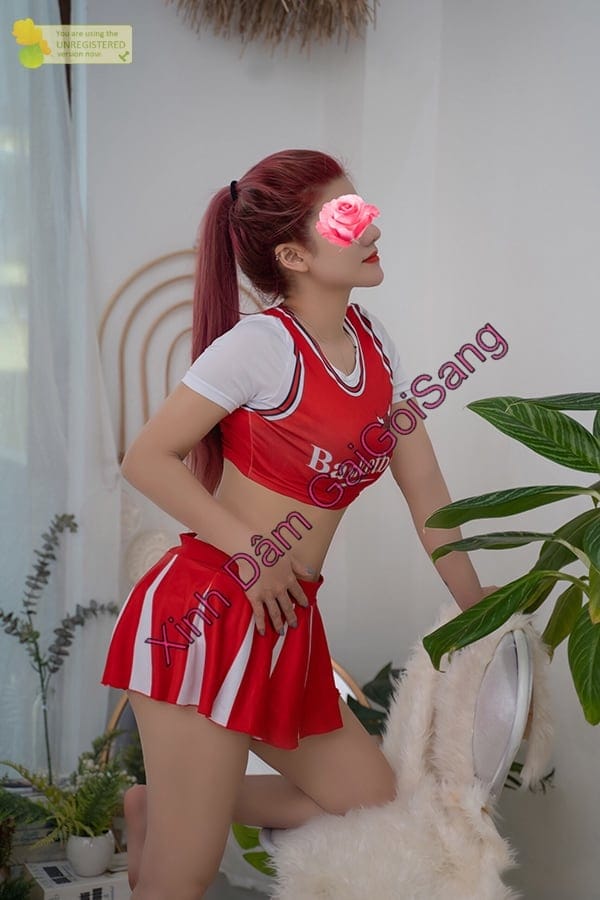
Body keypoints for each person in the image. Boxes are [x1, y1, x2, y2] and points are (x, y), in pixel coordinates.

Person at [101, 149, 496, 900]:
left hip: (287, 624)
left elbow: (427, 492)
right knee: (183, 878)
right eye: (346, 217)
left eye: (364, 207)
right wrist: (252, 552)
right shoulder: (260, 347)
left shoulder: (374, 345)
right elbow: (146, 459)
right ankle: (180, 817)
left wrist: (480, 607)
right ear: (293, 255)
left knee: (374, 804)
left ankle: (164, 806)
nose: (371, 226)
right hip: (210, 613)